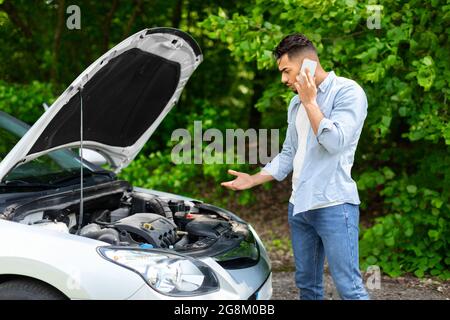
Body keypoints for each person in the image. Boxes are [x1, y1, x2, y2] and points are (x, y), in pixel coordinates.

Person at [221, 33, 370, 300]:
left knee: (350, 287)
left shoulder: (348, 92)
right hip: (299, 207)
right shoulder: (294, 103)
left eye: (286, 71)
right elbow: (289, 152)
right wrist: (254, 179)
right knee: (307, 286)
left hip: (334, 205)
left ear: (308, 65)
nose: (284, 79)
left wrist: (311, 102)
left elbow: (334, 142)